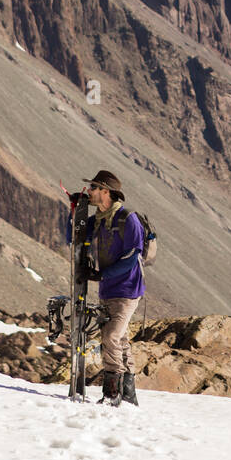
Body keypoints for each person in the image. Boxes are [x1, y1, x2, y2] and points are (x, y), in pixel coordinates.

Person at [74, 170, 144, 406]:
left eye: (93, 188)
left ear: (106, 191)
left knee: (111, 335)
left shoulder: (128, 219)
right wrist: (77, 211)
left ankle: (112, 393)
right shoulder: (98, 220)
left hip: (127, 291)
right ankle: (128, 394)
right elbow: (73, 235)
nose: (90, 192)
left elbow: (132, 258)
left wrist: (101, 274)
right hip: (108, 291)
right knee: (121, 339)